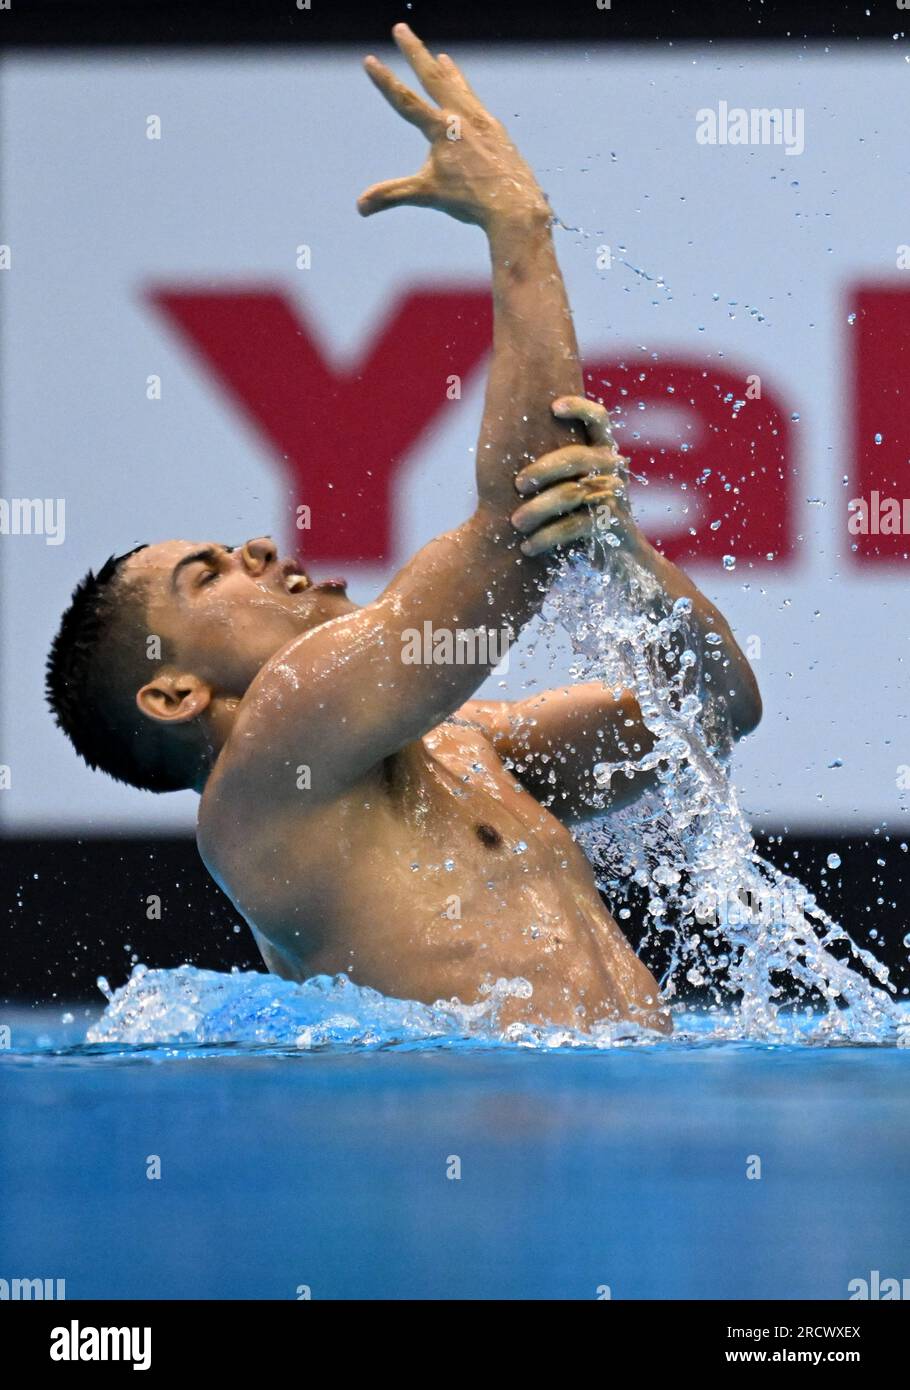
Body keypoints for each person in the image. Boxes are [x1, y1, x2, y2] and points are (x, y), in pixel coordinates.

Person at [47, 25, 760, 1033]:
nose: (255, 550)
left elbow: (716, 710)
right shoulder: (259, 784)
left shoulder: (467, 745)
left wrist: (623, 555)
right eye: (206, 576)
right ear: (173, 691)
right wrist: (516, 223)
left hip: (616, 1123)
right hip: (488, 1169)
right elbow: (516, 527)